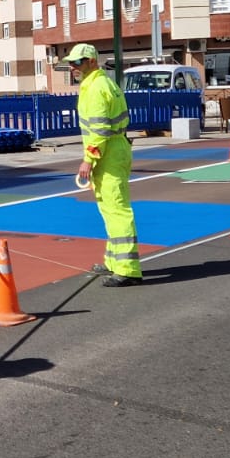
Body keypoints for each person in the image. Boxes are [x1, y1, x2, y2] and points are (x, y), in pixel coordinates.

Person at [66, 43, 142, 288]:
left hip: (108, 153)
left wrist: (88, 160)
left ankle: (128, 269)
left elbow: (99, 130)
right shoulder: (101, 83)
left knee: (117, 209)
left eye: (77, 62)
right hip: (114, 149)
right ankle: (114, 261)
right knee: (110, 208)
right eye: (71, 62)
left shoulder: (96, 87)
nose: (73, 67)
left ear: (91, 61)